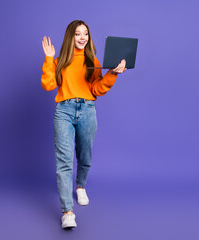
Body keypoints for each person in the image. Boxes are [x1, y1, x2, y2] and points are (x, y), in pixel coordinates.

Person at [41, 20, 126, 229]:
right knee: (64, 161)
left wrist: (113, 73)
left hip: (87, 110)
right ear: (71, 36)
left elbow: (97, 89)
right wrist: (49, 58)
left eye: (85, 34)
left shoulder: (93, 61)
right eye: (78, 34)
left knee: (85, 154)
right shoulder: (60, 61)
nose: (82, 37)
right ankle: (67, 212)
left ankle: (80, 186)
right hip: (64, 111)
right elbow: (48, 84)